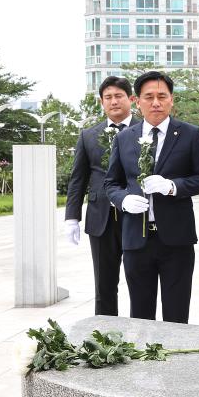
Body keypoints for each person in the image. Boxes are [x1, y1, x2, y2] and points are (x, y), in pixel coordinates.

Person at [104, 71, 199, 323]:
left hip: (177, 240)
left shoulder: (190, 134)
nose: (156, 103)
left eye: (162, 96)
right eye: (148, 97)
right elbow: (111, 182)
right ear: (137, 101)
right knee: (140, 313)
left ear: (172, 100)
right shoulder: (124, 137)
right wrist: (123, 200)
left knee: (176, 311)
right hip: (136, 240)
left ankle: (175, 361)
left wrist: (172, 186)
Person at [64, 76, 138, 316]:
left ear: (131, 99)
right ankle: (105, 336)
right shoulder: (88, 135)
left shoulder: (145, 130)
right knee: (104, 284)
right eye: (108, 97)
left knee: (140, 282)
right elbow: (78, 179)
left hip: (136, 216)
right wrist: (71, 217)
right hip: (101, 219)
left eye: (119, 96)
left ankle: (142, 331)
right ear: (101, 102)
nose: (114, 101)